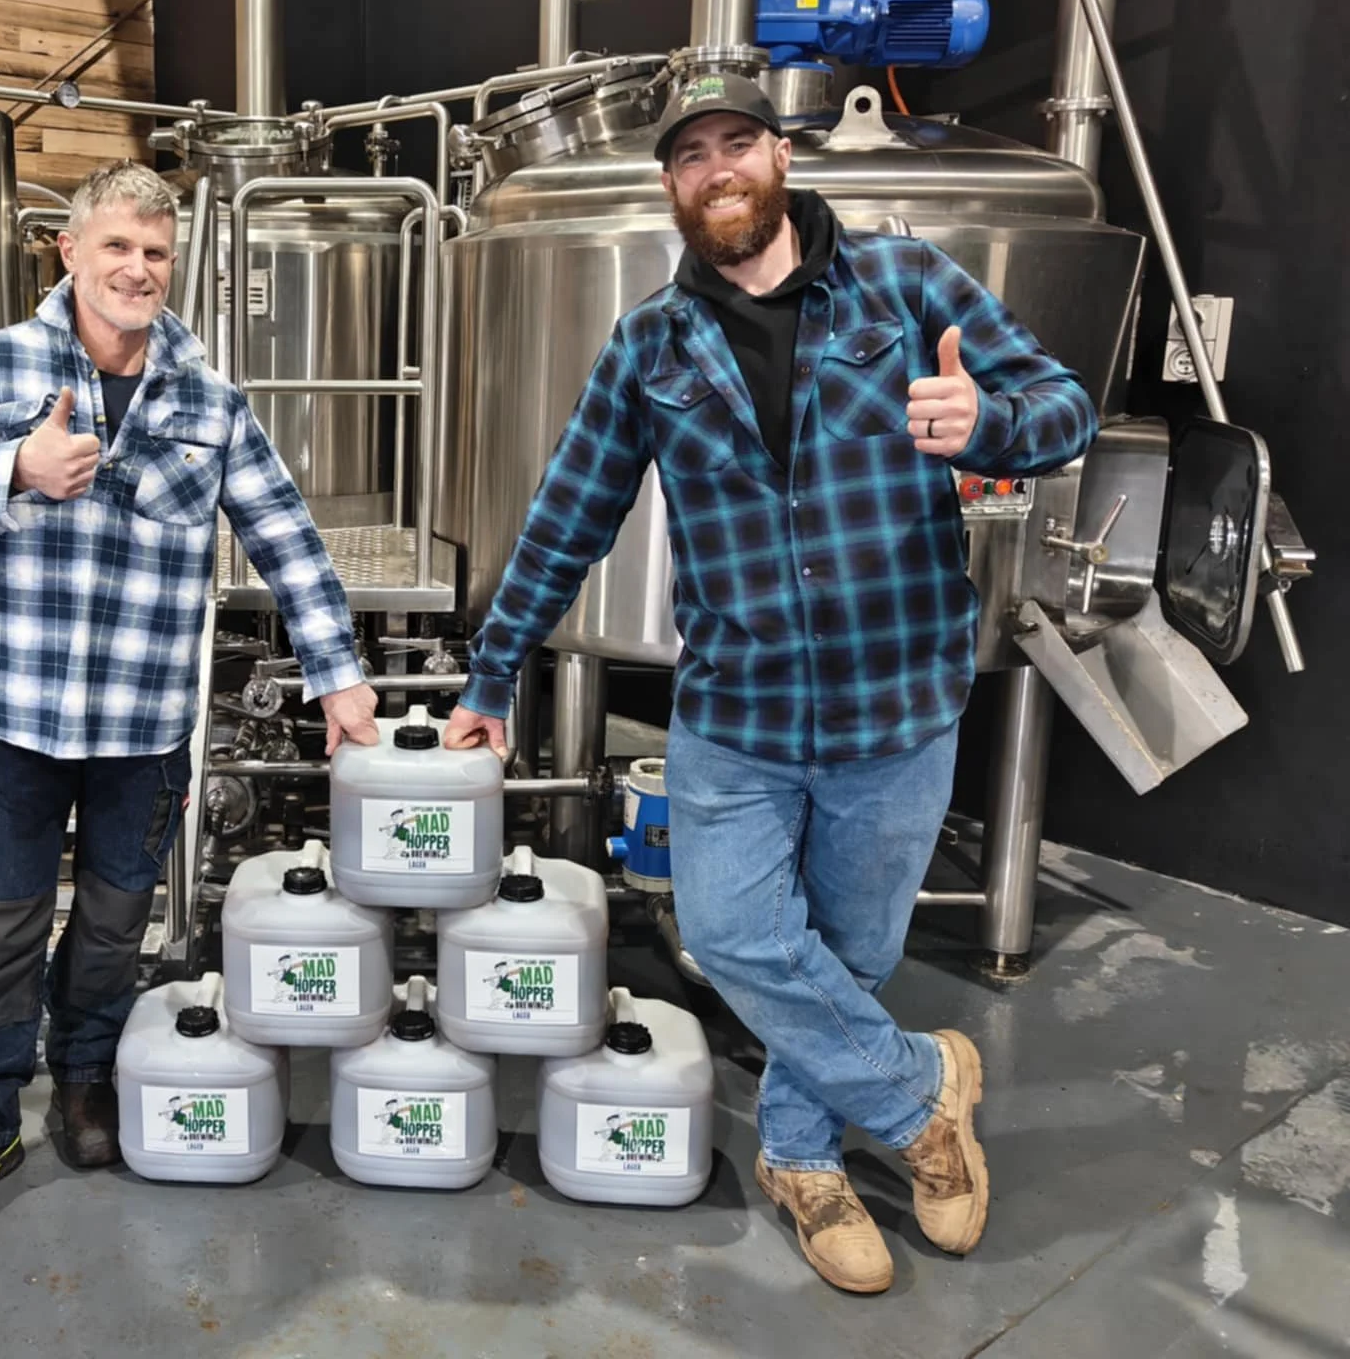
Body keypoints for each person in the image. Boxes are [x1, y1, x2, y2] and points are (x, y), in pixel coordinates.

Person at [442, 73, 1098, 1294]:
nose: (717, 170)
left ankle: (804, 1160)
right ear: (668, 186)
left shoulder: (907, 285)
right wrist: (492, 674)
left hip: (894, 705)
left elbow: (1062, 405)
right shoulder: (649, 341)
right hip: (736, 714)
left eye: (736, 142)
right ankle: (919, 1094)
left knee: (843, 957)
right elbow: (564, 520)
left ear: (778, 156)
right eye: (690, 156)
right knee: (738, 939)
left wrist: (988, 423)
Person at [0, 159, 379, 1243]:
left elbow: (283, 535)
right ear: (70, 252)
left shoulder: (207, 397)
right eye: (116, 246)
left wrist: (339, 676)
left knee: (113, 929)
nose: (137, 268)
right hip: (23, 718)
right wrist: (11, 467)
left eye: (155, 253)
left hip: (144, 724)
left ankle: (82, 1080)